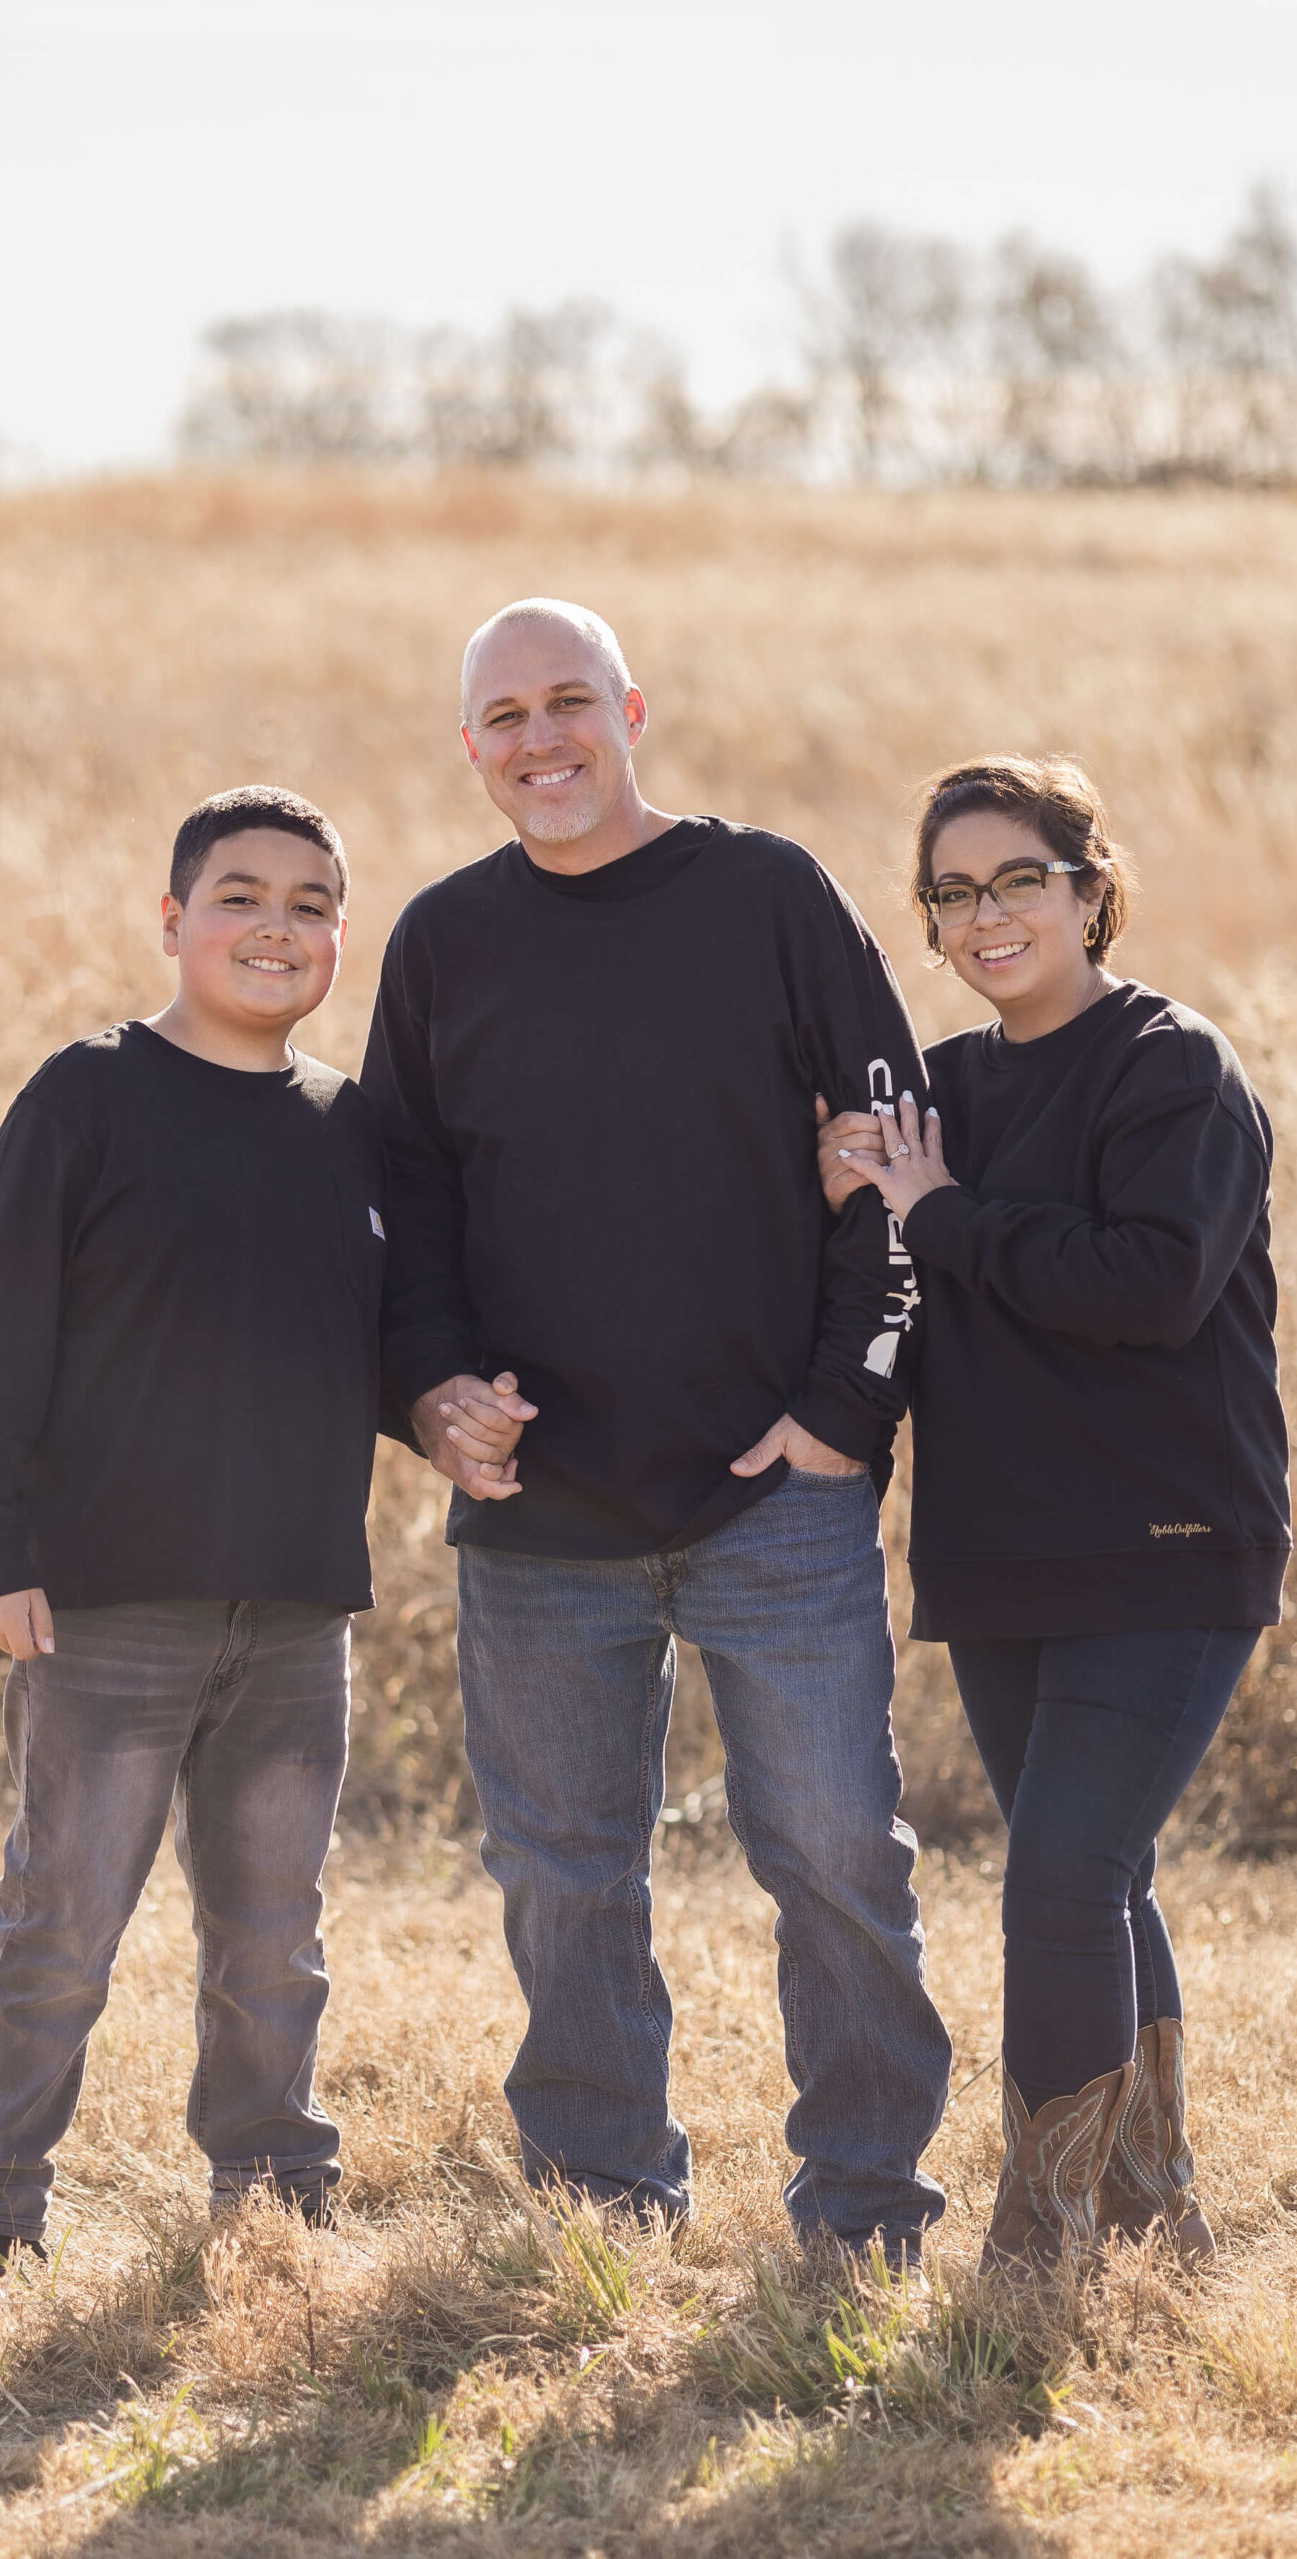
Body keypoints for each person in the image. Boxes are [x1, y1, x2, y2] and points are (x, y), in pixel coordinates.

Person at [362, 598, 952, 2265]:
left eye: (569, 702)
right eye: (502, 717)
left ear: (632, 710)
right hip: (542, 1508)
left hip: (775, 1492)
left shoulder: (767, 897)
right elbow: (403, 1211)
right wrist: (432, 1399)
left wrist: (845, 1408)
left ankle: (866, 2210)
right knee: (564, 1877)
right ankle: (604, 2209)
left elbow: (890, 1149)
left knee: (836, 1856)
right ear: (468, 748)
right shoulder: (440, 944)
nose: (539, 740)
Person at [821, 754, 1289, 2272]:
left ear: (1091, 889)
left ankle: (1046, 2236)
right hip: (1001, 1546)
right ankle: (1152, 2207)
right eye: (952, 892)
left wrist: (942, 1215)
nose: (986, 915)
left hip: (1167, 1540)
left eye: (1019, 878)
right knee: (1097, 1869)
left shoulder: (1172, 1064)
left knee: (1063, 1871)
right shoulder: (943, 1090)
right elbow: (890, 1281)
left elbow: (1151, 1286)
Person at [0, 786, 384, 2274]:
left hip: (298, 1607)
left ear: (338, 937)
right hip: (111, 1603)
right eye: (241, 896)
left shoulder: (352, 1130)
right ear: (173, 919)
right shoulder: (86, 1096)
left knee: (272, 1938)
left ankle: (272, 2198)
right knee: (63, 1924)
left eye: (310, 903)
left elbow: (373, 1347)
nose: (277, 926)